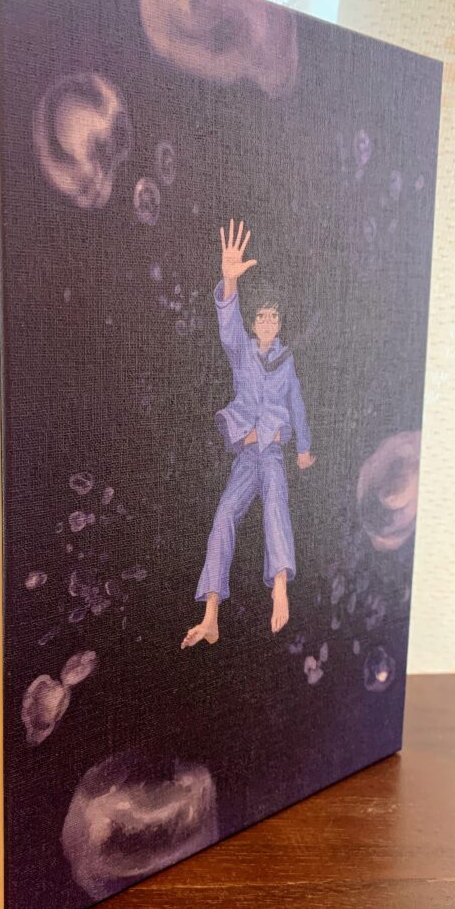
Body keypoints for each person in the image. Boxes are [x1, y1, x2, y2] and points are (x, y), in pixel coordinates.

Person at [181, 219, 315, 649]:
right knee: (224, 514)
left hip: (271, 452)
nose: (267, 322)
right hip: (246, 454)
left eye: (274, 316)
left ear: (280, 324)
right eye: (261, 316)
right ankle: (211, 613)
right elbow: (227, 326)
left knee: (276, 503)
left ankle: (280, 586)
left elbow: (297, 404)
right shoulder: (242, 353)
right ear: (254, 322)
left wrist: (303, 448)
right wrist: (229, 280)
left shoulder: (286, 361)